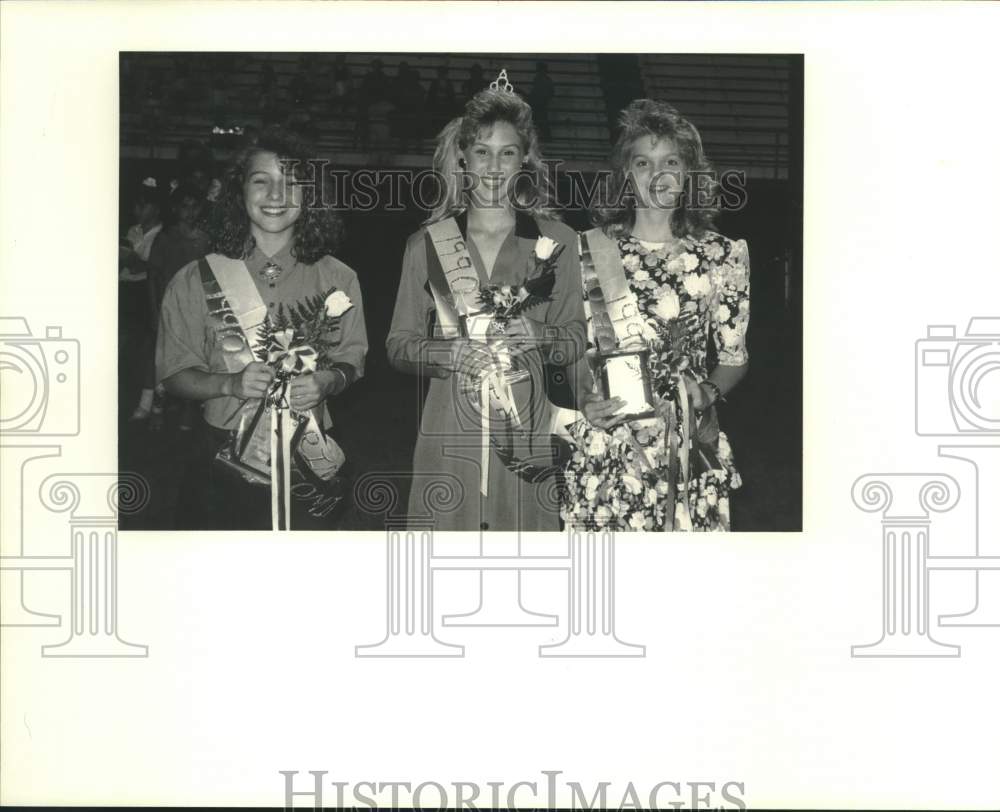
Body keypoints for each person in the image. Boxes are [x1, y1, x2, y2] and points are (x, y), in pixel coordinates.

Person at [386, 75, 586, 531]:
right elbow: (398, 345)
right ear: (463, 157)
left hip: (530, 430)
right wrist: (448, 353)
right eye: (482, 152)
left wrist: (540, 335)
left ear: (525, 161)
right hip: (449, 431)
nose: (494, 167)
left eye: (508, 152)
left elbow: (576, 340)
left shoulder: (559, 241)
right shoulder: (427, 245)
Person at [156, 127, 368, 530]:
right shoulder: (194, 279)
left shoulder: (339, 278)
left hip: (309, 449)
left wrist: (328, 381)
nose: (276, 194)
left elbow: (352, 362)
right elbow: (175, 375)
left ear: (309, 195)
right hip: (221, 452)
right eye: (261, 181)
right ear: (240, 193)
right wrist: (228, 384)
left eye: (291, 183)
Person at [558, 99, 750, 531]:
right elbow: (573, 349)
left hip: (686, 447)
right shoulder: (586, 250)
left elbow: (735, 359)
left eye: (671, 161)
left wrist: (706, 393)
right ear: (627, 174)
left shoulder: (722, 255)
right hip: (610, 449)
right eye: (643, 162)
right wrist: (585, 398)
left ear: (688, 173)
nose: (658, 174)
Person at [145, 183, 211, 431]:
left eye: (195, 207)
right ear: (176, 208)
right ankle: (157, 408)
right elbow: (153, 277)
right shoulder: (166, 237)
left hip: (195, 313)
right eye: (185, 207)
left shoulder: (204, 239)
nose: (190, 212)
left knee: (193, 361)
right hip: (167, 311)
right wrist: (153, 312)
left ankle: (188, 409)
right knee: (164, 360)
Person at [120, 178, 164, 421]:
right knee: (125, 347)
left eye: (143, 206)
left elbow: (152, 270)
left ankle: (149, 398)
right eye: (136, 206)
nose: (138, 211)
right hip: (125, 290)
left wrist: (134, 261)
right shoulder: (133, 230)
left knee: (146, 348)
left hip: (144, 294)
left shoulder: (161, 235)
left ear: (155, 208)